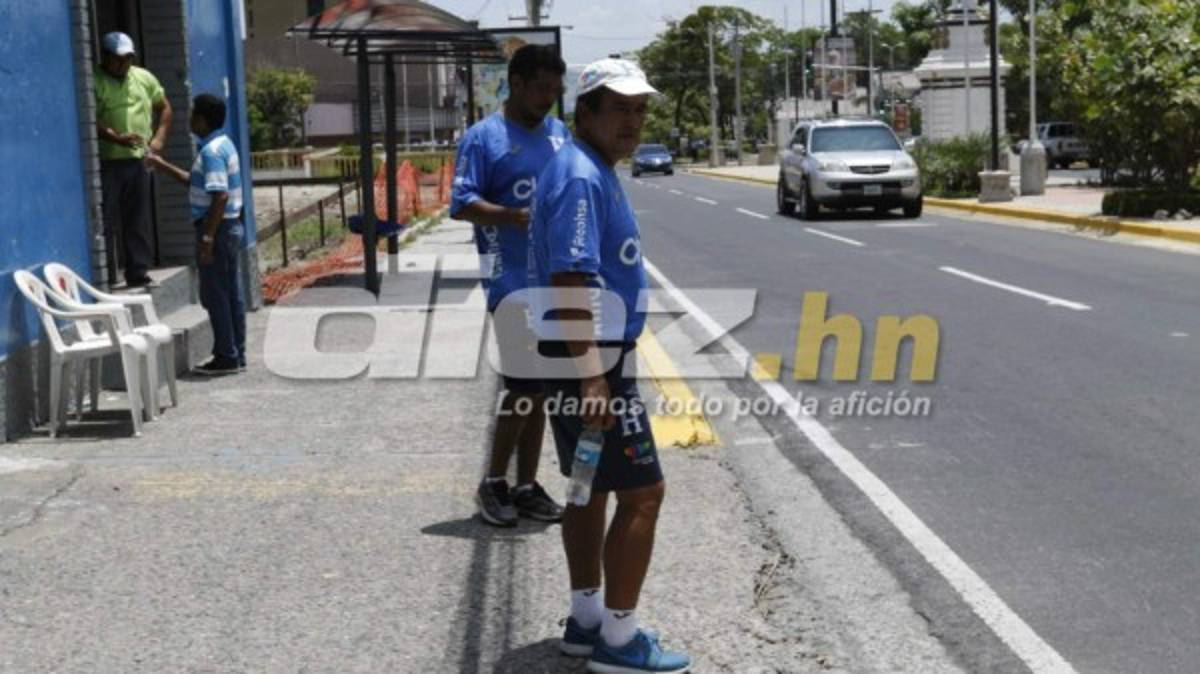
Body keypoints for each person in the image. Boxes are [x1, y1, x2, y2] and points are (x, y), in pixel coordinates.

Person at [527, 59, 690, 673]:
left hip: (575, 353)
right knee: (644, 493)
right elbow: (572, 278)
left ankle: (586, 618)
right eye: (619, 107)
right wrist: (594, 375)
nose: (633, 120)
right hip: (588, 358)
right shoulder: (579, 176)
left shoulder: (586, 168)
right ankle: (620, 644)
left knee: (586, 490)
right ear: (586, 111)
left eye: (640, 108)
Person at [451, 44, 570, 527]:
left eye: (555, 91)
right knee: (523, 385)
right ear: (516, 83)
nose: (548, 99)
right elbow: (461, 203)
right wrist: (514, 217)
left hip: (556, 282)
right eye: (541, 88)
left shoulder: (560, 134)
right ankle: (493, 483)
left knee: (540, 389)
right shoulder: (484, 138)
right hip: (510, 281)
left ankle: (525, 485)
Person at [145, 95, 245, 376]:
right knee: (230, 293)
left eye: (192, 115)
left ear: (202, 119)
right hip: (229, 227)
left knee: (215, 295)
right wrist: (161, 165)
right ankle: (236, 352)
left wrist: (207, 239)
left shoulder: (211, 152)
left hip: (218, 228)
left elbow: (220, 196)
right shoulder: (222, 144)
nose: (189, 119)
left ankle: (226, 356)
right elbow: (196, 182)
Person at [94, 31, 173, 288]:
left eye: (128, 59)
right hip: (107, 163)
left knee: (137, 219)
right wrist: (114, 138)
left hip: (138, 161)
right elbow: (89, 120)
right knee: (105, 219)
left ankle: (138, 272)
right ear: (104, 57)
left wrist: (158, 139)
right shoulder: (94, 80)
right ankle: (105, 275)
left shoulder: (143, 77)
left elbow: (165, 107)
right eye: (117, 59)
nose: (123, 64)